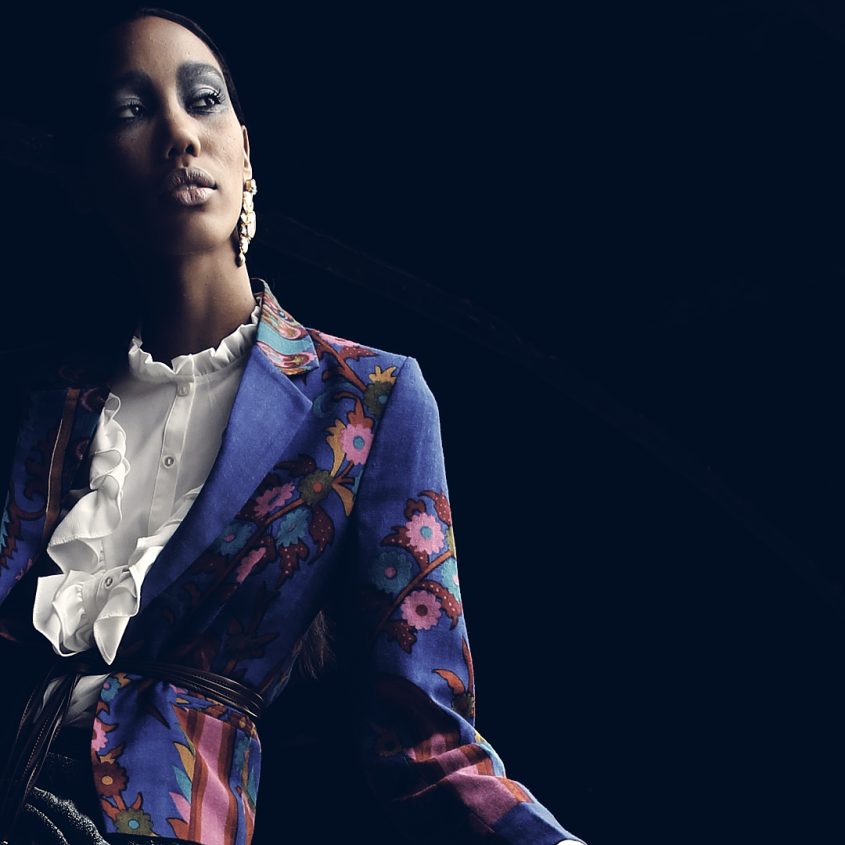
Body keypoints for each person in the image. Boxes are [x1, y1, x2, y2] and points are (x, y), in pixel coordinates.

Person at [0, 6, 587, 845]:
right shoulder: (36, 398)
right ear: (88, 177)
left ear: (244, 153)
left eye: (203, 101)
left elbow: (423, 740)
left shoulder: (368, 398)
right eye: (131, 111)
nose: (179, 133)